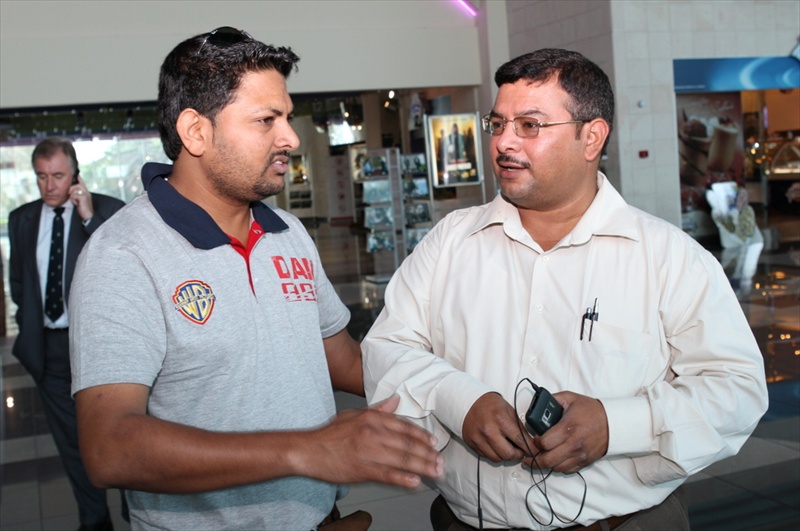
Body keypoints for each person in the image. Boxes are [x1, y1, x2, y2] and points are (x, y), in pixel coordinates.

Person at [362, 48, 769, 530]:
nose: (504, 142)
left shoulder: (668, 257)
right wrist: (458, 399)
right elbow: (387, 349)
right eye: (498, 124)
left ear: (591, 137)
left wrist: (616, 425)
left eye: (530, 125)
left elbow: (736, 390)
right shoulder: (451, 242)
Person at [68, 26, 442, 530]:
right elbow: (109, 447)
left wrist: (459, 387)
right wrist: (308, 451)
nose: (290, 138)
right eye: (266, 120)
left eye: (286, 117)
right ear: (195, 131)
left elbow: (346, 361)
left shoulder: (288, 232)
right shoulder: (123, 253)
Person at [8, 136, 125, 531]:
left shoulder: (108, 210)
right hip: (49, 350)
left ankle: (136, 511)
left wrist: (88, 217)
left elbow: (123, 268)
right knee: (71, 443)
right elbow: (19, 283)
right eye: (41, 176)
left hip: (99, 348)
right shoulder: (21, 219)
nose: (49, 185)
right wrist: (30, 323)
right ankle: (95, 521)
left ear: (75, 175)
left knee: (120, 434)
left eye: (58, 176)